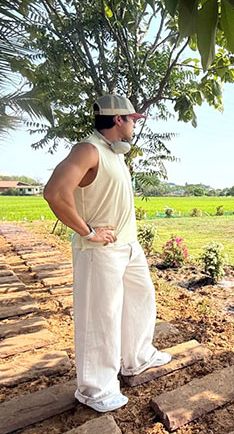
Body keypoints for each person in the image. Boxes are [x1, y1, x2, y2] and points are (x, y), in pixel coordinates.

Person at [43, 94, 171, 412]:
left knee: (141, 299)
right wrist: (87, 232)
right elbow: (55, 193)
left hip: (127, 245)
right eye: (132, 119)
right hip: (99, 250)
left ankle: (137, 358)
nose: (134, 125)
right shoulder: (88, 149)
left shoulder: (115, 153)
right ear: (118, 119)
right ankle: (95, 389)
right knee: (101, 316)